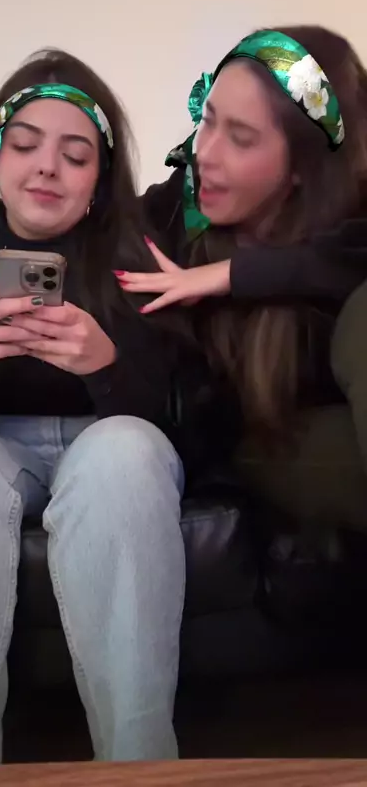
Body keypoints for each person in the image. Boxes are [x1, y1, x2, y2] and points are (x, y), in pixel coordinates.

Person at [0, 50, 186, 768]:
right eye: (24, 146)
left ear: (99, 179)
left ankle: (140, 766)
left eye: (74, 155)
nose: (47, 167)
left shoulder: (136, 249)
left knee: (128, 450)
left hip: (108, 439)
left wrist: (106, 365)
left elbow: (169, 419)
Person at [120, 26, 367, 529]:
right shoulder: (176, 212)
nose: (205, 153)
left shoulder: (348, 222)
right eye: (207, 121)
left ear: (303, 167)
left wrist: (232, 275)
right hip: (260, 444)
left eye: (241, 138)